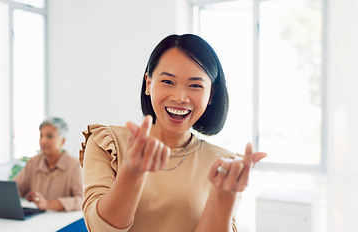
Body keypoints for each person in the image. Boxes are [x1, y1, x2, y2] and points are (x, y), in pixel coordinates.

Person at [79, 34, 267, 231]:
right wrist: (132, 172)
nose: (180, 97)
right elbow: (99, 229)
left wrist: (224, 195)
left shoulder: (224, 165)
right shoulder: (107, 143)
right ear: (148, 84)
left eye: (195, 85)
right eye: (168, 81)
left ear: (211, 94)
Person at [13, 117, 83, 212]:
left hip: (61, 223)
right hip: (35, 220)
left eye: (49, 136)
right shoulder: (33, 162)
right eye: (41, 136)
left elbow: (82, 200)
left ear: (62, 141)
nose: (43, 141)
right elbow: (16, 188)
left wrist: (48, 204)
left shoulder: (74, 165)